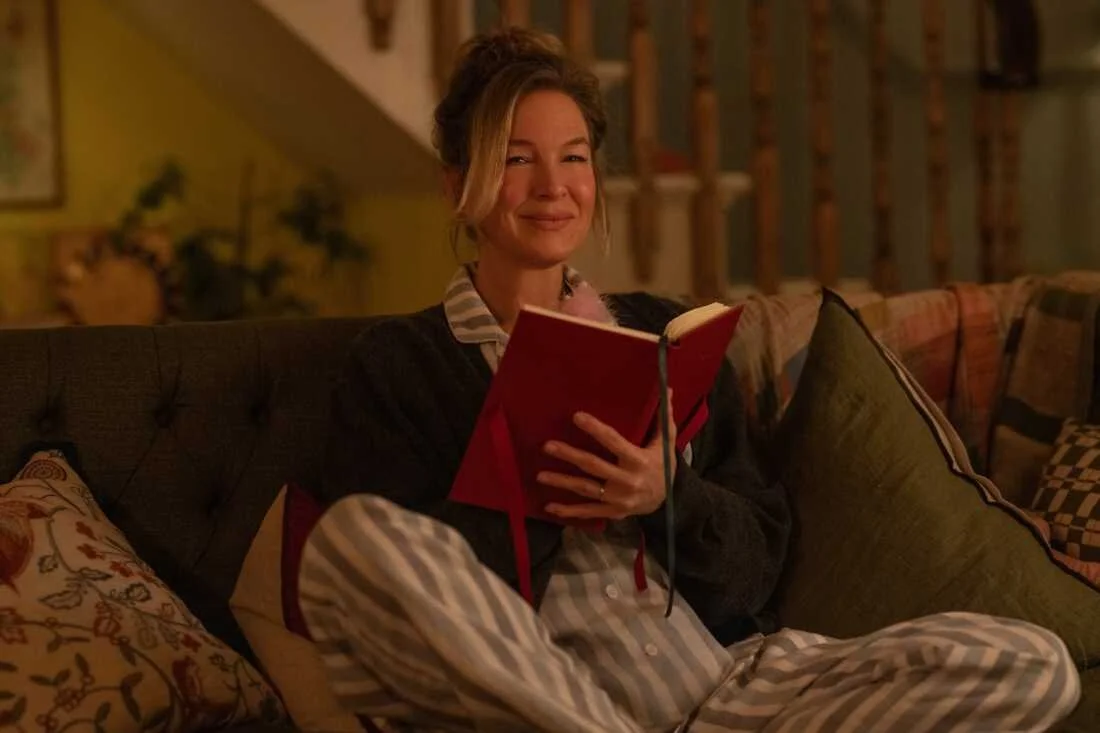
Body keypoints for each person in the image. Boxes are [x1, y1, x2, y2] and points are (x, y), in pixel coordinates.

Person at [298, 27, 1080, 733]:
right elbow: (414, 610)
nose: (553, 186)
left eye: (574, 156)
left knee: (1035, 664)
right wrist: (546, 495)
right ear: (455, 183)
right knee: (355, 538)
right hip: (560, 697)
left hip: (739, 690)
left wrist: (663, 495)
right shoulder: (400, 364)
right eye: (516, 157)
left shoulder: (664, 334)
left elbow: (757, 568)